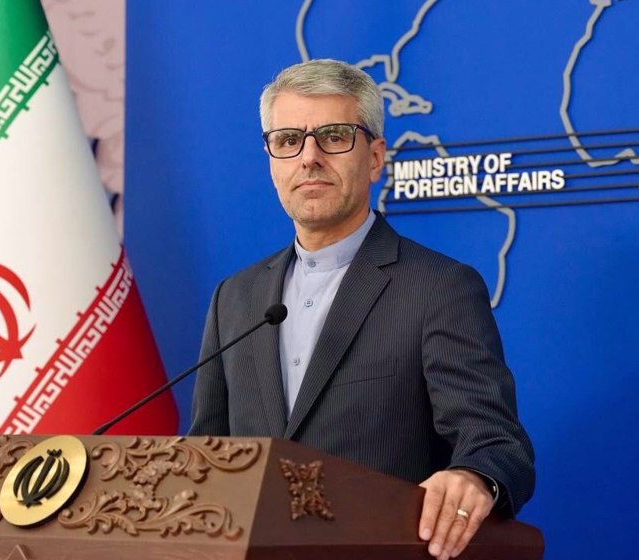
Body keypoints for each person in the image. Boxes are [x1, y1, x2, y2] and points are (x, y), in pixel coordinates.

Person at [189, 59, 534, 560]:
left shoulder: (438, 287)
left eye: (333, 136)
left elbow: (497, 443)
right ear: (272, 160)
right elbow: (206, 456)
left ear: (374, 158)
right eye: (288, 140)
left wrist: (472, 476)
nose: (309, 158)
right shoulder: (235, 299)